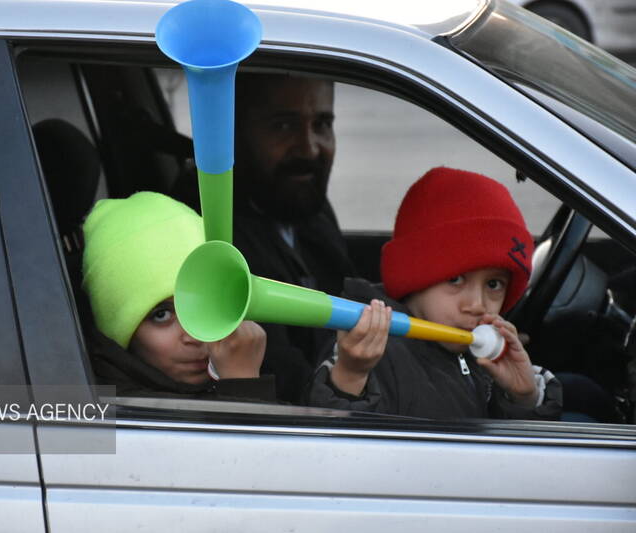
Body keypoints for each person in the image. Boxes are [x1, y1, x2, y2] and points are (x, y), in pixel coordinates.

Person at [306, 167, 562, 419]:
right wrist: (351, 375)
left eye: (494, 285)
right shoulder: (364, 344)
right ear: (413, 279)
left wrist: (524, 396)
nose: (476, 304)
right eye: (455, 279)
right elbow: (338, 446)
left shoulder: (480, 359)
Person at [172, 72, 355, 402]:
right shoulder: (210, 235)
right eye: (283, 126)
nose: (309, 148)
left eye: (322, 124)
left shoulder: (305, 204)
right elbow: (286, 379)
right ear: (236, 132)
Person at [82, 191, 275, 401]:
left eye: (206, 302)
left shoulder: (235, 361)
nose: (194, 335)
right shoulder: (113, 414)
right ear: (118, 333)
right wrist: (243, 385)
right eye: (162, 315)